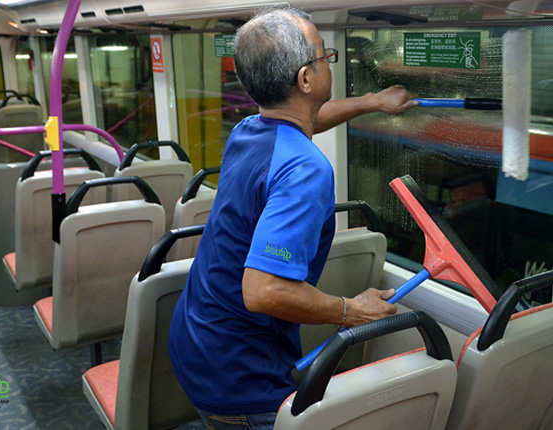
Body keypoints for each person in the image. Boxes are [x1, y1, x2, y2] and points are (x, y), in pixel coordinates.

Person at [168, 6, 418, 429]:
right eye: (325, 55)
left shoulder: (249, 130)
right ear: (305, 79)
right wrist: (350, 310)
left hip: (197, 337)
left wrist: (372, 102)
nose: (330, 60)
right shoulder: (305, 170)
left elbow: (305, 122)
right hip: (240, 374)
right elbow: (263, 291)